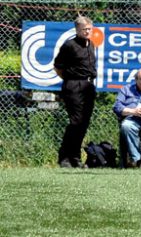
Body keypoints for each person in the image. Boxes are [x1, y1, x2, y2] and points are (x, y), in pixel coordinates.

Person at [53, 15, 98, 169]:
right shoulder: (69, 45)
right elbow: (58, 66)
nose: (87, 32)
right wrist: (70, 80)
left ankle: (75, 157)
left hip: (89, 86)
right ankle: (64, 156)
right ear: (77, 30)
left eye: (89, 29)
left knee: (84, 123)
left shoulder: (91, 44)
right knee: (76, 121)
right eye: (84, 29)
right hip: (74, 85)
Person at [113, 67, 141, 168]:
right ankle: (137, 160)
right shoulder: (126, 89)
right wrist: (133, 111)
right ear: (136, 79)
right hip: (133, 119)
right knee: (126, 126)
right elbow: (117, 107)